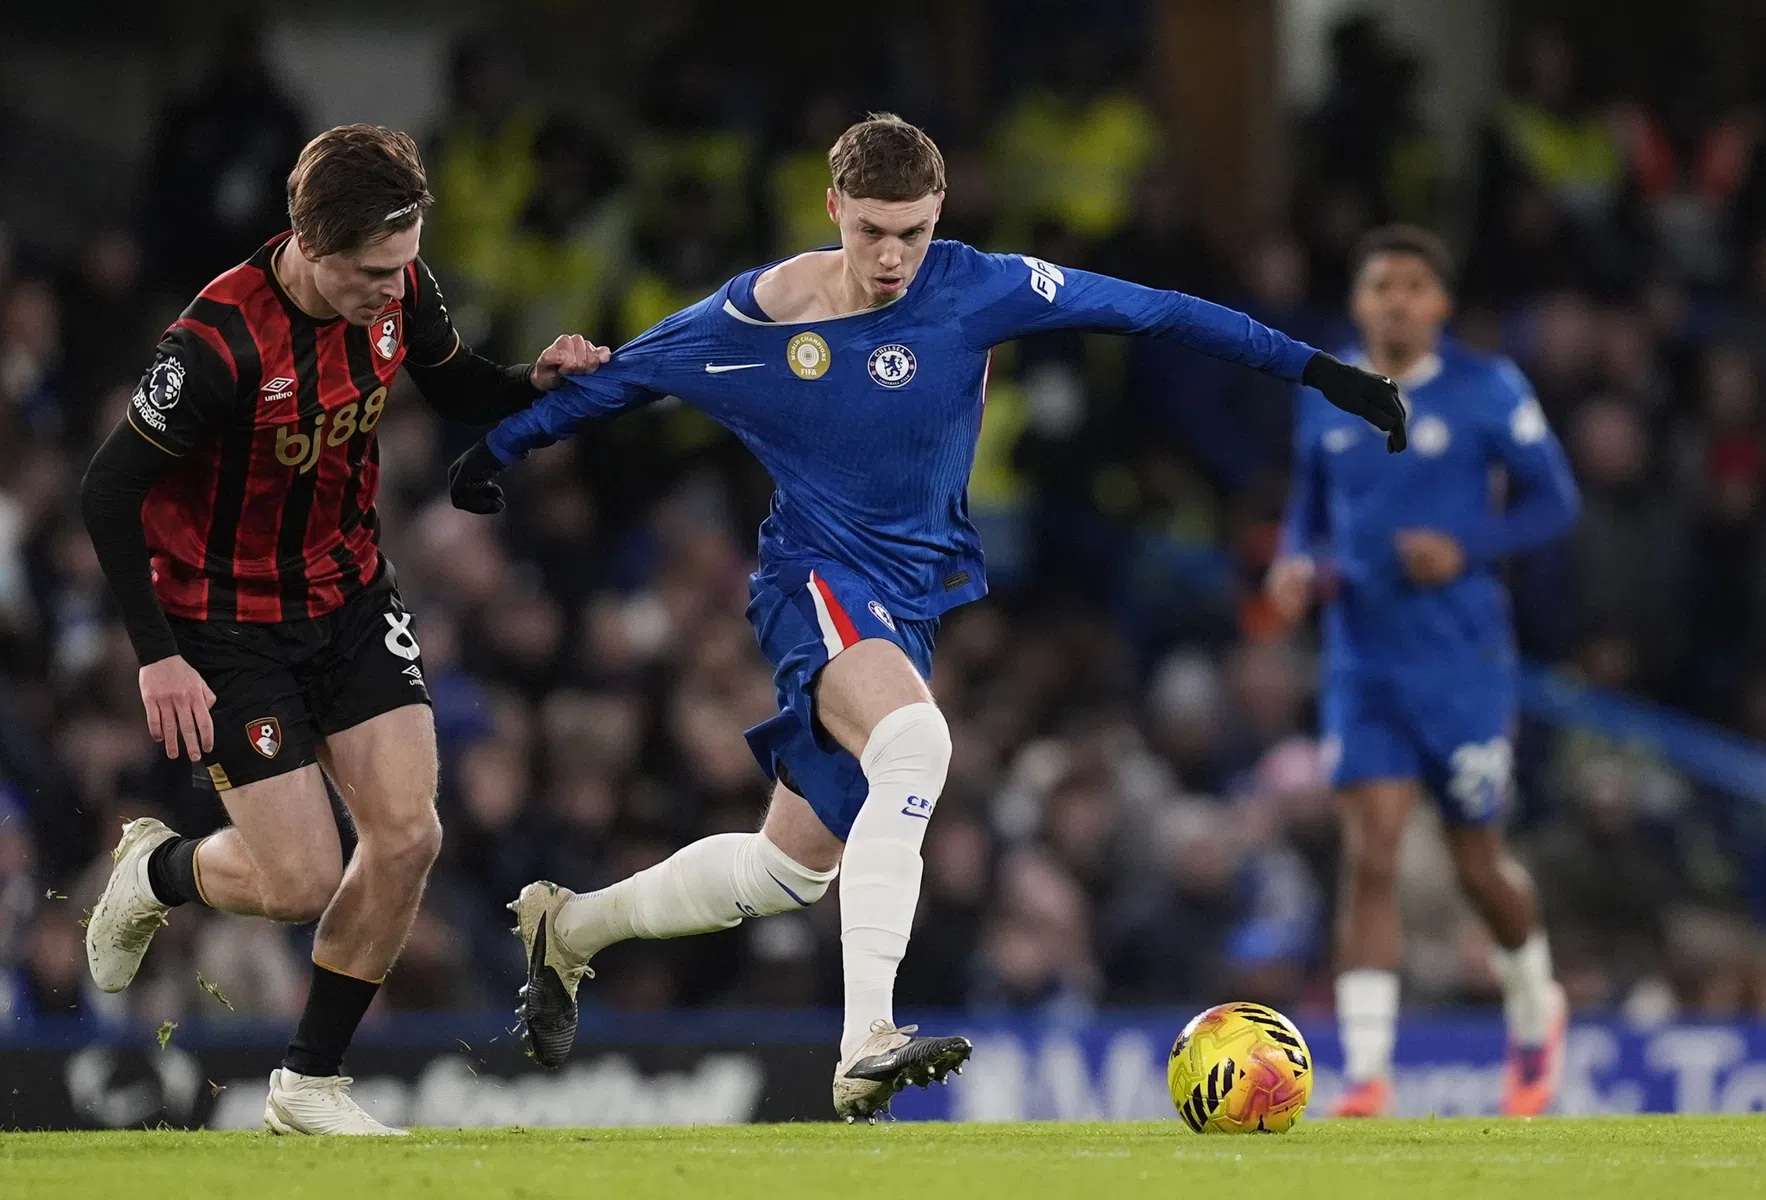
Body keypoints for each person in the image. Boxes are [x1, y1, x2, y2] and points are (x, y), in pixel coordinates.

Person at [448, 113, 1406, 1121]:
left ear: (938, 213)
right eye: (870, 232)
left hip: (906, 603)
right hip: (813, 580)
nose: (891, 255)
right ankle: (866, 1041)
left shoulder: (977, 285)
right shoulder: (760, 318)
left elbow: (1155, 312)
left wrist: (1320, 370)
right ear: (833, 211)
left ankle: (572, 929)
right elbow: (624, 377)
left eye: (910, 231)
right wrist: (495, 451)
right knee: (914, 743)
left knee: (788, 871)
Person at [78, 124, 606, 1135]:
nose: (393, 287)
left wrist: (531, 381)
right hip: (225, 625)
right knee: (300, 880)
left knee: (409, 837)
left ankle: (308, 1083)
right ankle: (155, 870)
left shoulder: (402, 286)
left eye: (404, 265)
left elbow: (451, 381)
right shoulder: (217, 345)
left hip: (350, 595)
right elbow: (108, 490)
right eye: (372, 271)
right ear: (305, 242)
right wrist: (158, 659)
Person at [1265, 224, 1580, 1117]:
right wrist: (1294, 561)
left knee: (1479, 864)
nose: (1397, 300)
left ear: (1440, 304)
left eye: (1414, 286)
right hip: (1362, 659)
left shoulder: (1488, 389)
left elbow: (1556, 500)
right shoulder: (1324, 392)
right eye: (1380, 286)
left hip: (1462, 661)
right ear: (1358, 303)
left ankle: (1534, 1011)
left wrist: (1468, 546)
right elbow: (1306, 508)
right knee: (1372, 857)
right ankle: (1367, 1076)